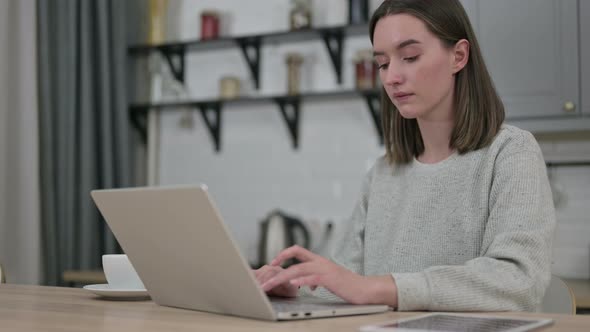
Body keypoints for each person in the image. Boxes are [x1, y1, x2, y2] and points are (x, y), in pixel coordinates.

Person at [255, 0, 555, 312]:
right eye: (382, 64)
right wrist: (298, 287)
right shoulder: (383, 173)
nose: (391, 77)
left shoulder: (511, 153)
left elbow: (519, 281)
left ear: (459, 56)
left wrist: (382, 287)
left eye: (409, 57)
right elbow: (347, 286)